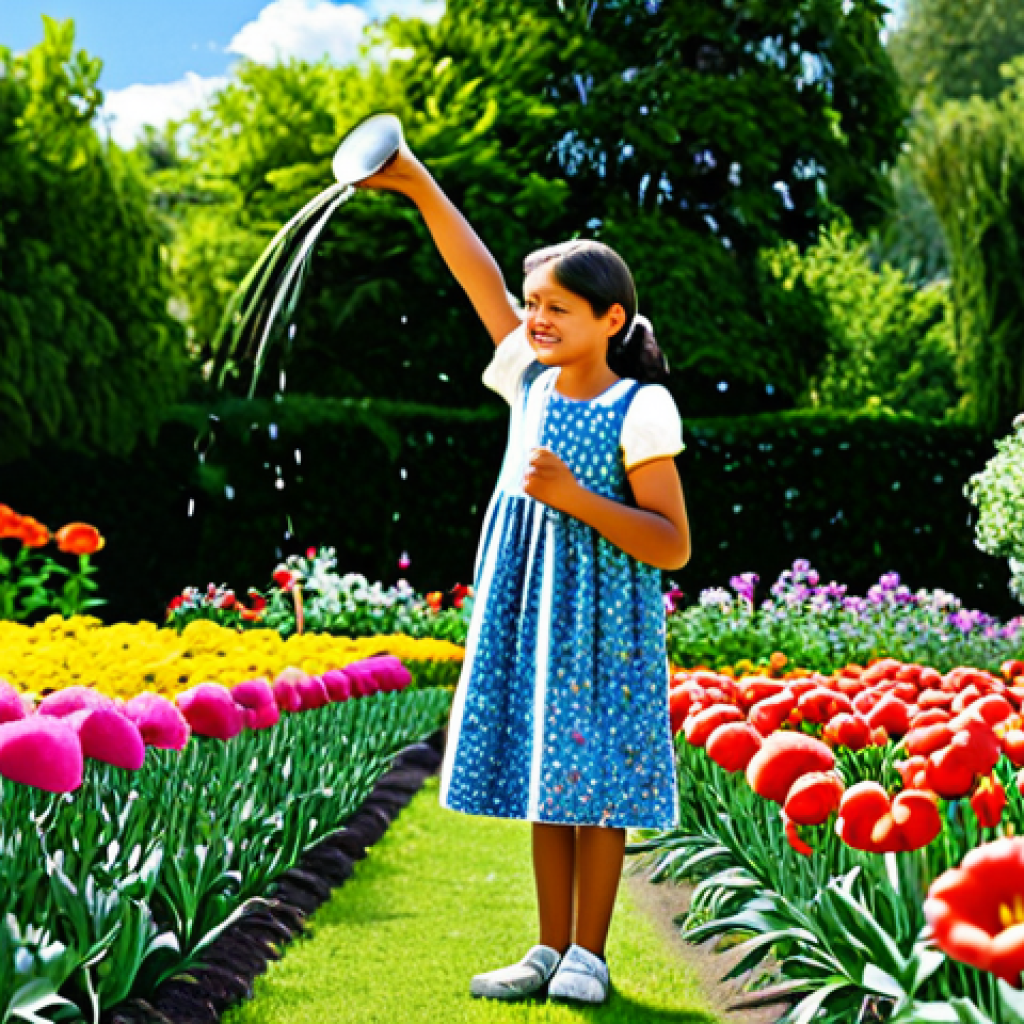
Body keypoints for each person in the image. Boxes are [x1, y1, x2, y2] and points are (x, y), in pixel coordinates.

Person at [355, 131, 690, 1007]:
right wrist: (418, 183)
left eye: (557, 309)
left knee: (599, 788)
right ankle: (548, 948)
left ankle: (592, 954)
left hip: (603, 617)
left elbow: (671, 541)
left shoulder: (640, 405)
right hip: (531, 606)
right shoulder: (529, 383)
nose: (536, 319)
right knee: (550, 774)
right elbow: (479, 278)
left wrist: (577, 495)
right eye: (534, 305)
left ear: (612, 321)